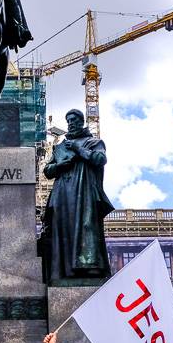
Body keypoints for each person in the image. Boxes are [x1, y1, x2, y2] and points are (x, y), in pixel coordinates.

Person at [38, 109, 114, 283]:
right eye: (68, 121)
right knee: (62, 230)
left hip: (84, 192)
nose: (70, 123)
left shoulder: (93, 142)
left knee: (85, 227)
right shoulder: (60, 147)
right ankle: (63, 271)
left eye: (73, 120)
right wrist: (61, 165)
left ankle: (88, 269)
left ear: (81, 121)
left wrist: (80, 150)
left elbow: (100, 159)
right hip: (63, 193)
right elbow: (48, 171)